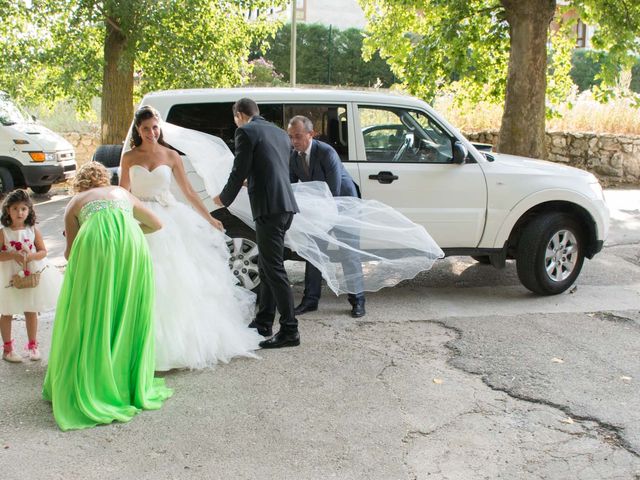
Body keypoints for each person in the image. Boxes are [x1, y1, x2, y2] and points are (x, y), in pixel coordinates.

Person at [120, 105, 261, 370]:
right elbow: (123, 191)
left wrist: (209, 218)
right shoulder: (129, 157)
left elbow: (189, 192)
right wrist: (119, 218)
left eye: (155, 127)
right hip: (138, 218)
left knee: (175, 280)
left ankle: (175, 344)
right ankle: (137, 342)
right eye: (146, 128)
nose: (151, 132)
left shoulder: (172, 156)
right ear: (138, 130)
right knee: (141, 279)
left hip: (167, 219)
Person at [42, 162, 172, 431]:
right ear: (104, 179)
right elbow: (156, 224)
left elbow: (69, 253)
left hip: (95, 250)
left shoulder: (75, 201)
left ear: (79, 184)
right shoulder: (122, 193)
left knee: (94, 309)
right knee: (125, 307)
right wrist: (125, 229)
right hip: (131, 247)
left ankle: (96, 379)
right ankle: (124, 381)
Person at [214, 98, 301, 349]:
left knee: (273, 269)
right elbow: (269, 168)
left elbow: (238, 169)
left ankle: (290, 330)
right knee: (266, 265)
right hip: (285, 206)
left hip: (269, 207)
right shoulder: (279, 133)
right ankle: (263, 321)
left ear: (239, 115)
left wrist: (224, 198)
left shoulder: (246, 131)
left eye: (235, 119)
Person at [288, 115, 366, 318]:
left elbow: (332, 190)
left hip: (342, 204)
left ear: (310, 134)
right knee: (314, 253)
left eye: (297, 136)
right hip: (318, 208)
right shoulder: (293, 156)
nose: (294, 141)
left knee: (349, 254)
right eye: (291, 137)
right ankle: (310, 301)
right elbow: (292, 187)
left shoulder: (326, 152)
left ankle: (358, 300)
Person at [0, 189, 62, 362]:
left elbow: (43, 251)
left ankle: (32, 345)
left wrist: (31, 256)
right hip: (8, 274)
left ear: (29, 211)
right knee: (7, 310)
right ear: (7, 211)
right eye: (15, 209)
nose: (19, 213)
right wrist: (13, 255)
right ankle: (8, 349)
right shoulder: (3, 232)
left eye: (23, 209)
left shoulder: (32, 230)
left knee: (31, 308)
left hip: (30, 272)